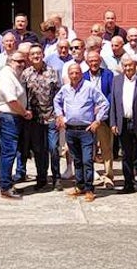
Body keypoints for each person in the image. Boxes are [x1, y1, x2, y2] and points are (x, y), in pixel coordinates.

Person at [54, 60, 109, 201]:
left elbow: (104, 103)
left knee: (87, 161)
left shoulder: (90, 87)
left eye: (77, 73)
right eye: (71, 73)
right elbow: (56, 101)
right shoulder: (65, 89)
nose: (74, 75)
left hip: (86, 130)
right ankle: (80, 186)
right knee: (77, 160)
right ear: (68, 74)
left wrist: (98, 121)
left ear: (81, 74)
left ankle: (90, 189)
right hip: (70, 130)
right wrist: (59, 115)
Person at [109, 53, 137, 196]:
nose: (128, 67)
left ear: (136, 65)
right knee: (126, 155)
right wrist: (113, 122)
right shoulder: (116, 80)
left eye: (130, 65)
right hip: (123, 122)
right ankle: (128, 183)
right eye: (125, 65)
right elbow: (114, 104)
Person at [0, 49, 30, 199]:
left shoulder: (14, 75)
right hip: (7, 117)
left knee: (9, 152)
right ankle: (5, 187)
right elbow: (11, 100)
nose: (21, 64)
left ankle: (7, 184)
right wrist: (24, 113)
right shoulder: (6, 76)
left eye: (23, 61)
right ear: (9, 61)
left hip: (11, 117)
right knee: (8, 152)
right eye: (18, 61)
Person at [23, 43, 62, 190]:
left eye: (38, 53)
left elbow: (58, 95)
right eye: (33, 54)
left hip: (51, 116)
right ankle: (41, 177)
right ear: (29, 57)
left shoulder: (52, 72)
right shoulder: (26, 74)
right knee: (39, 150)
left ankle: (57, 178)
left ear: (43, 55)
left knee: (53, 148)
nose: (36, 56)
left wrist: (59, 114)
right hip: (35, 119)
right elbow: (23, 96)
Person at [82, 48, 116, 188]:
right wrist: (91, 108)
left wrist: (101, 108)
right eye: (91, 61)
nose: (94, 63)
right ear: (87, 62)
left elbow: (111, 94)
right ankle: (91, 176)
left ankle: (108, 176)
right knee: (88, 149)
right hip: (88, 118)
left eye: (96, 60)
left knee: (106, 148)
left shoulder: (109, 75)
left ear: (100, 61)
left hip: (104, 118)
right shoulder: (82, 76)